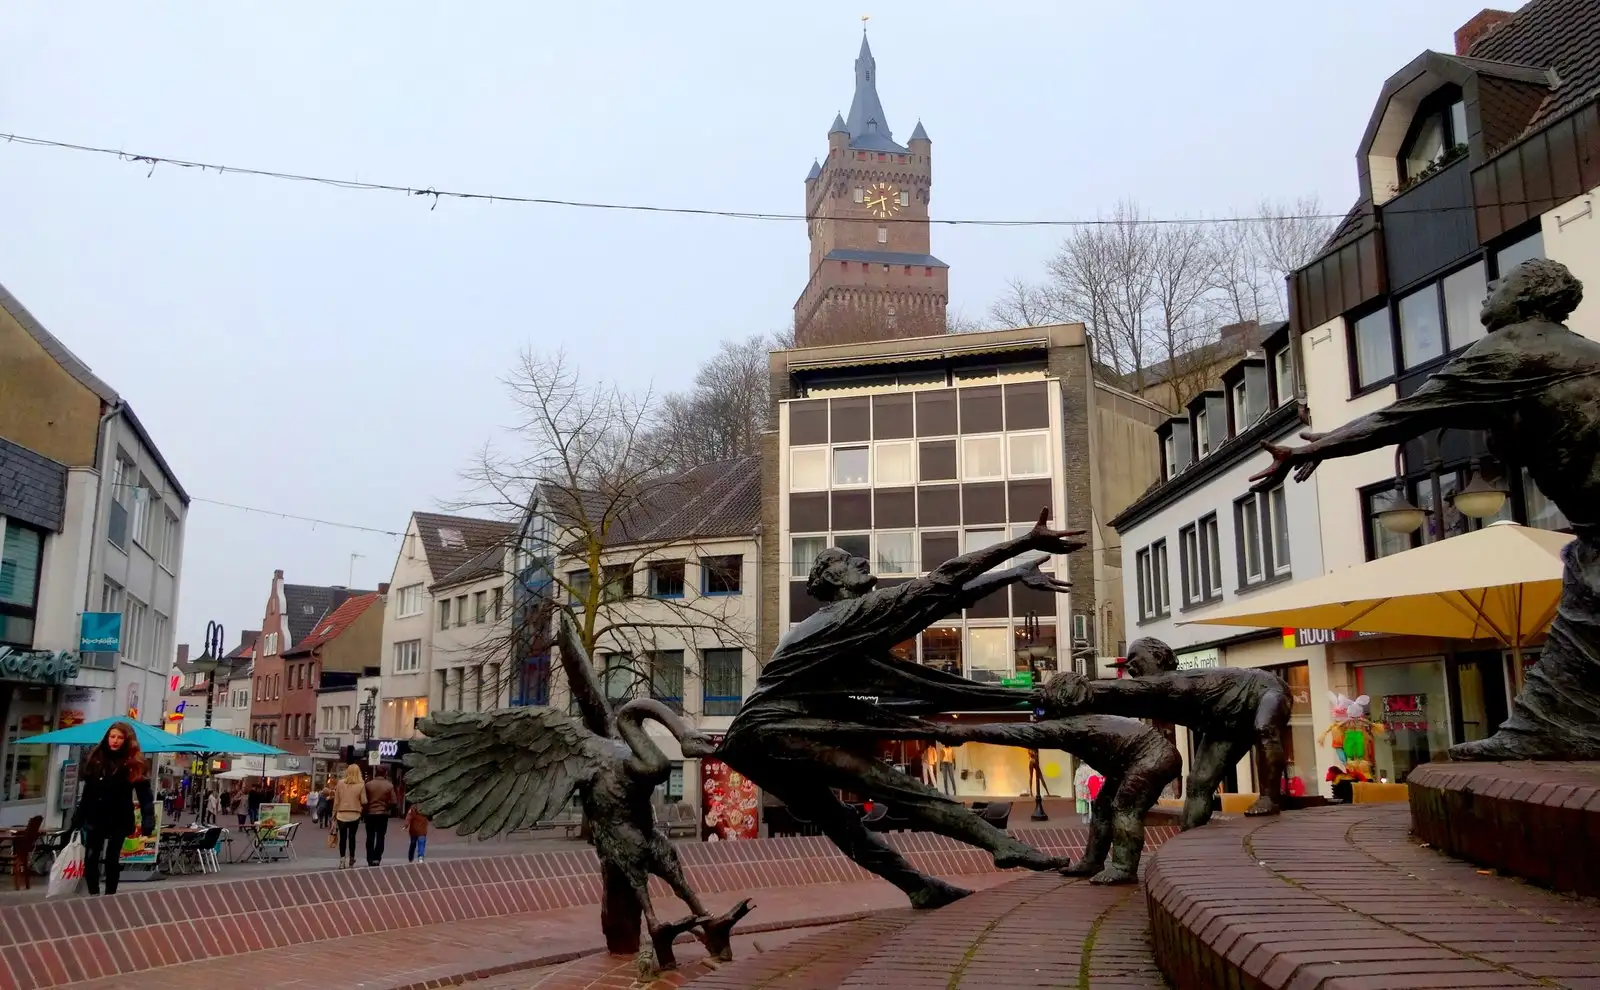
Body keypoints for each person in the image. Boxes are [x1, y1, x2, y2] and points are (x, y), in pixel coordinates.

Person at [1251, 258, 1600, 760]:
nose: (1489, 290)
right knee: (1581, 624)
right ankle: (1539, 727)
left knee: (1584, 621)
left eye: (1500, 284)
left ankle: (1537, 729)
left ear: (1526, 300)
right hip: (1591, 531)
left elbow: (1404, 415)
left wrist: (1313, 449)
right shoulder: (1573, 351)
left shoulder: (1515, 347)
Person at [717, 510, 1086, 908]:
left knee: (839, 821)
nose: (861, 561)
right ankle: (1002, 845)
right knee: (898, 788)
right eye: (846, 560)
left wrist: (1012, 575)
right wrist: (1022, 543)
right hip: (775, 730)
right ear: (833, 579)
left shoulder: (839, 624)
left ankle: (919, 886)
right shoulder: (848, 614)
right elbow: (941, 581)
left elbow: (944, 598)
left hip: (749, 741)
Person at [1037, 637, 1291, 829]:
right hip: (1225, 724)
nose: (1132, 666)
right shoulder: (1158, 689)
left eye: (1137, 658)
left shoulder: (1175, 681)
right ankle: (1191, 836)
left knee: (1265, 729)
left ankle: (1269, 797)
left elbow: (1120, 692)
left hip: (1265, 691)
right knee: (1198, 783)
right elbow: (1124, 698)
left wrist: (1072, 691)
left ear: (1159, 658)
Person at [69, 721, 154, 897]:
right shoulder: (97, 757)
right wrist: (79, 816)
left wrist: (148, 819)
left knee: (112, 858)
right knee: (91, 856)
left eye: (120, 737)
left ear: (127, 740)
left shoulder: (132, 762)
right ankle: (93, 893)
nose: (115, 741)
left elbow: (145, 795)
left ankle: (110, 895)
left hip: (119, 815)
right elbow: (88, 791)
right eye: (112, 736)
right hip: (95, 814)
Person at [362, 765, 398, 867]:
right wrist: (387, 808)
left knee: (370, 836)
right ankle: (377, 858)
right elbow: (394, 801)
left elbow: (364, 800)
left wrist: (365, 810)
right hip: (382, 814)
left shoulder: (368, 785)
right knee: (380, 837)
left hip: (370, 814)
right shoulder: (389, 786)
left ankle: (370, 858)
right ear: (385, 773)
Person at [332, 765, 366, 868]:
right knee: (352, 837)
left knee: (343, 838)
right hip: (354, 814)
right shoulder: (361, 784)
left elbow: (336, 801)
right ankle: (352, 857)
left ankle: (342, 859)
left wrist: (333, 813)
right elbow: (364, 801)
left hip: (341, 814)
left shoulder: (340, 783)